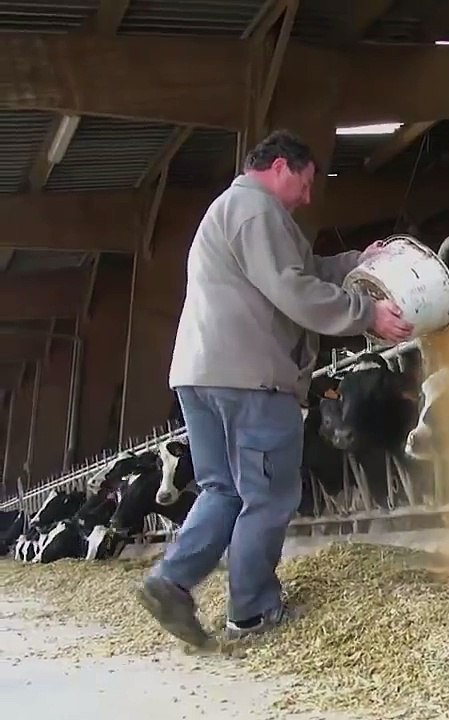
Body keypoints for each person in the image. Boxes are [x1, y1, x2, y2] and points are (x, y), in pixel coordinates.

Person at [135, 130, 415, 647]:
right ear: (282, 166)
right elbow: (294, 289)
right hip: (251, 378)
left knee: (224, 489)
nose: (308, 197)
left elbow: (301, 270)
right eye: (306, 184)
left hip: (200, 373)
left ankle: (170, 580)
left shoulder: (236, 213)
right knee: (268, 496)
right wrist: (367, 314)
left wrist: (358, 261)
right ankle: (253, 613)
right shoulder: (256, 210)